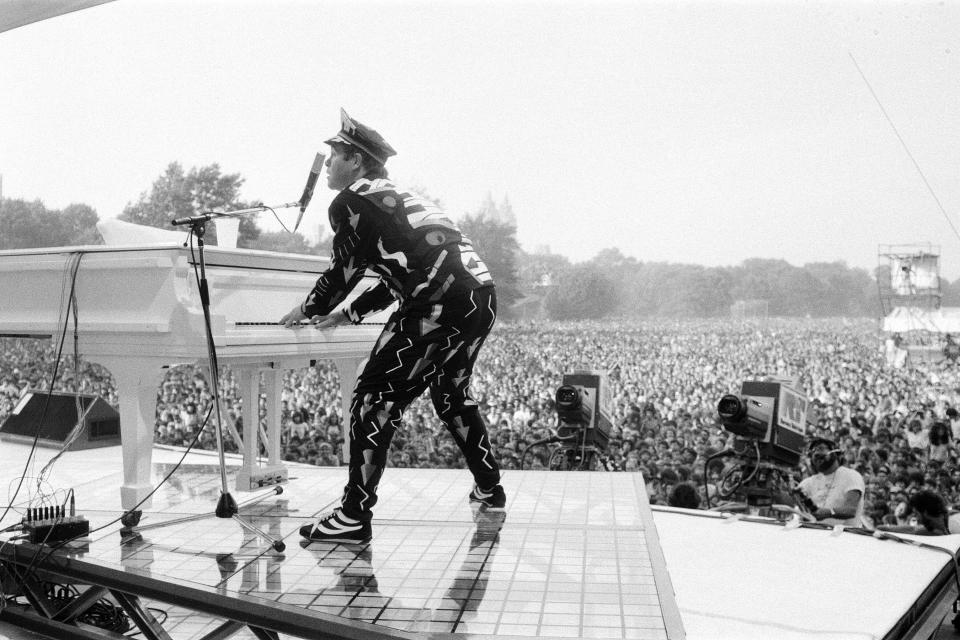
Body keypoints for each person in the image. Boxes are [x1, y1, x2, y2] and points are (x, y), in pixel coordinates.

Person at [281, 109, 503, 543]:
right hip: (479, 297)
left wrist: (306, 308)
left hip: (436, 304)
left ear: (357, 161)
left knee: (373, 398)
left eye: (336, 155)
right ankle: (490, 487)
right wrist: (348, 313)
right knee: (451, 393)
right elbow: (397, 273)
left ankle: (353, 514)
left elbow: (342, 272)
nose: (328, 163)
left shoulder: (351, 201)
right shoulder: (398, 197)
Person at [796, 437, 865, 527]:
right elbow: (790, 501)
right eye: (813, 452)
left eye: (821, 449)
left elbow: (850, 510)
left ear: (835, 453)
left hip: (844, 537)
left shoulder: (851, 475)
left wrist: (829, 512)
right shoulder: (809, 482)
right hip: (813, 535)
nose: (816, 453)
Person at [878, 489, 960, 535]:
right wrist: (887, 528)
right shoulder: (935, 525)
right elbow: (913, 529)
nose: (915, 517)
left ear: (925, 512)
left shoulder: (955, 524)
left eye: (916, 513)